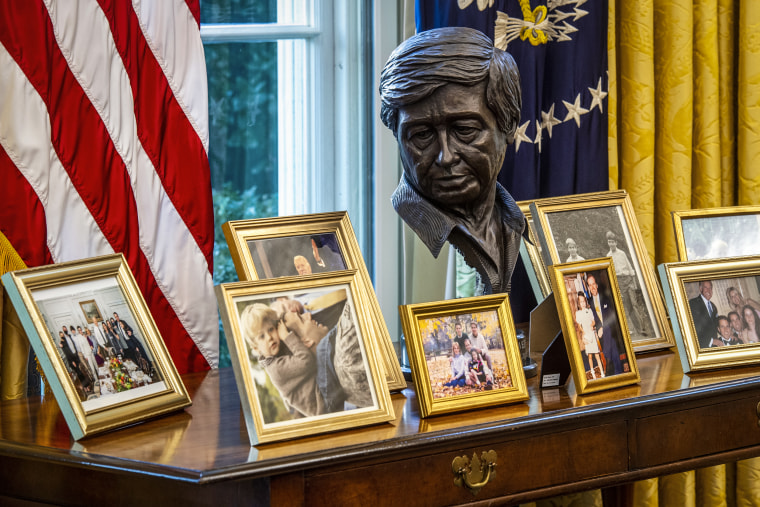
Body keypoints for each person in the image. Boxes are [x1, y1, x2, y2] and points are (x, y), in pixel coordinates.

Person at [379, 26, 526, 295]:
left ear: (509, 126)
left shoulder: (524, 228)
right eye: (421, 135)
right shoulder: (384, 245)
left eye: (466, 131)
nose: (445, 156)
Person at [239, 302, 333, 417]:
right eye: (262, 336)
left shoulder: (276, 350)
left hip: (322, 384)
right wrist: (287, 337)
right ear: (256, 348)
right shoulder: (276, 369)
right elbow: (306, 361)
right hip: (323, 402)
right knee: (329, 342)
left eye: (270, 329)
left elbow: (280, 319)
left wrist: (284, 316)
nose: (269, 337)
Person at [605, 231, 651, 337]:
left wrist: (633, 280)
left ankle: (643, 328)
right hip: (620, 282)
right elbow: (611, 272)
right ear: (608, 243)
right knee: (629, 307)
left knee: (634, 304)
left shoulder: (622, 253)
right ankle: (638, 329)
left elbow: (629, 267)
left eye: (613, 242)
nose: (611, 244)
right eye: (609, 242)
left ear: (616, 242)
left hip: (628, 280)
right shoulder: (608, 256)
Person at [575, 292, 604, 379]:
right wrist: (583, 332)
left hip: (591, 334)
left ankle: (602, 372)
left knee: (597, 354)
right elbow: (579, 326)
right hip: (586, 335)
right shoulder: (578, 313)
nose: (583, 303)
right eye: (581, 302)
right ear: (579, 303)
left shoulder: (589, 310)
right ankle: (592, 372)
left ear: (585, 302)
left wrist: (592, 325)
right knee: (590, 356)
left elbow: (593, 321)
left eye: (584, 301)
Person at [689, 281, 719, 349]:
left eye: (710, 288)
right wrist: (711, 341)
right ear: (700, 288)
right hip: (701, 347)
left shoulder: (713, 306)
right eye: (706, 287)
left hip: (715, 347)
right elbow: (693, 329)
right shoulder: (692, 304)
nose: (709, 290)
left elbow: (717, 326)